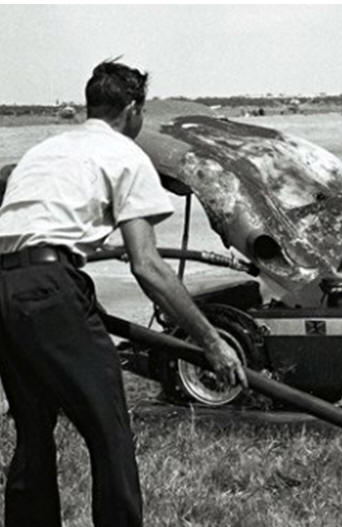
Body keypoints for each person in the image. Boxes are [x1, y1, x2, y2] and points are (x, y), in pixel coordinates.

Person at [0, 60, 247, 527]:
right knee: (109, 430)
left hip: (6, 288)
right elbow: (148, 268)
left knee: (34, 435)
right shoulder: (127, 155)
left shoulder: (45, 149)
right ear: (133, 110)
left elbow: (31, 223)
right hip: (51, 290)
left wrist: (85, 245)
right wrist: (210, 342)